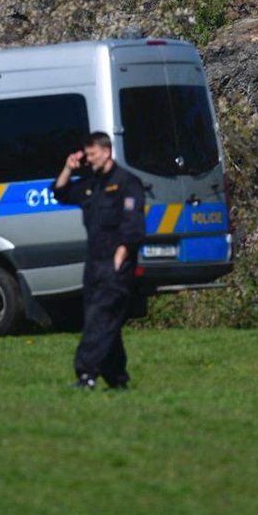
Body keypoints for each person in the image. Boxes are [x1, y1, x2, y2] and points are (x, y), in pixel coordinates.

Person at [53, 131, 146, 390]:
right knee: (106, 322)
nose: (89, 159)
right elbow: (60, 193)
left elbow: (133, 226)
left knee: (101, 318)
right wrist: (68, 168)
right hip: (94, 263)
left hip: (116, 263)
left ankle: (87, 374)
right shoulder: (91, 184)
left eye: (92, 154)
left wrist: (121, 255)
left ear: (106, 152)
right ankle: (117, 379)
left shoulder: (128, 183)